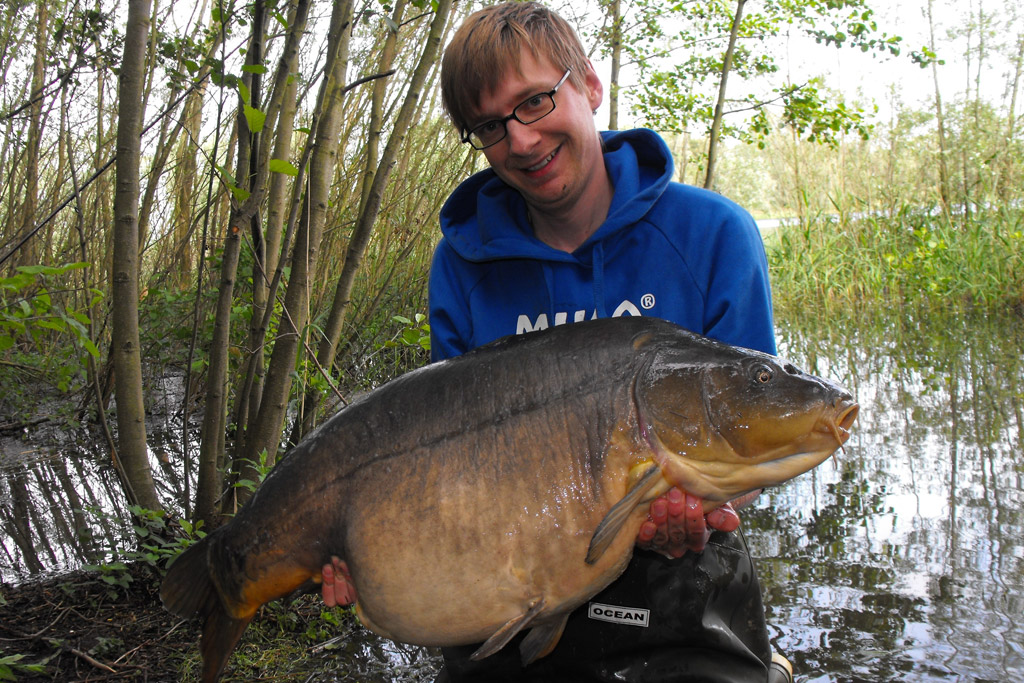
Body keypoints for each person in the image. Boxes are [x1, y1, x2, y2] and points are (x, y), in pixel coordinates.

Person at [323, 3, 791, 681]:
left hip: (682, 587)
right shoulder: (462, 265)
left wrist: (696, 507)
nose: (521, 140)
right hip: (511, 567)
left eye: (536, 101)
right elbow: (451, 470)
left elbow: (749, 434)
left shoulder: (713, 234)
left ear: (589, 85)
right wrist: (372, 546)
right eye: (490, 126)